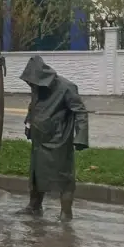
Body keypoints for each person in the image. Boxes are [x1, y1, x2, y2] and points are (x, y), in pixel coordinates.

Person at [21, 57, 88, 219]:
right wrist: (29, 123)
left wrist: (80, 136)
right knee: (36, 174)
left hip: (59, 140)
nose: (32, 86)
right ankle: (34, 206)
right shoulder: (37, 88)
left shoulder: (66, 87)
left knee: (63, 177)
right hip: (40, 139)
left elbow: (80, 112)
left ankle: (66, 212)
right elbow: (33, 107)